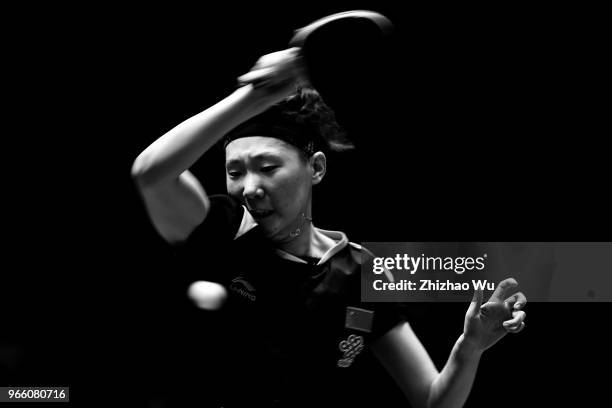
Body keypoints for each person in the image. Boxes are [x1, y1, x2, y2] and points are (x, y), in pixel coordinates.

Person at [131, 47, 527, 407]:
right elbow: (151, 174)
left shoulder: (362, 271)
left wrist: (469, 348)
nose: (249, 188)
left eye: (268, 168)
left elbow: (432, 401)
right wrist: (258, 95)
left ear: (316, 168)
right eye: (234, 172)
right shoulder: (220, 229)